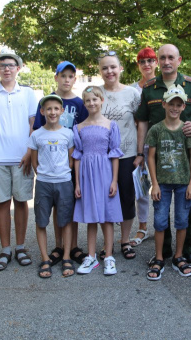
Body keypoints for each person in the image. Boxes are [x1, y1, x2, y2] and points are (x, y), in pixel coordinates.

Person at [135, 44, 191, 267]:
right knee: (161, 204)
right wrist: (140, 152)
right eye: (163, 57)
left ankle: (187, 250)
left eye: (171, 57)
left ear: (179, 60)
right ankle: (163, 252)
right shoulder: (149, 87)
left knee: (188, 203)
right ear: (158, 60)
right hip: (158, 153)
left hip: (186, 156)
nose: (167, 61)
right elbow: (143, 122)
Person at [0, 50, 38, 271]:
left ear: (18, 68)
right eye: (2, 65)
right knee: (1, 203)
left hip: (22, 157)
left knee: (21, 202)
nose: (7, 68)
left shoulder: (29, 93)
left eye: (11, 65)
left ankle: (20, 246)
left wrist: (30, 152)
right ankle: (5, 249)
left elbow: (34, 123)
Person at [32, 61, 89, 266]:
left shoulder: (79, 104)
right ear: (56, 77)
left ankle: (72, 247)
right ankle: (58, 246)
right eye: (63, 75)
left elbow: (83, 129)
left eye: (70, 76)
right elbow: (36, 134)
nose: (67, 79)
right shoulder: (46, 103)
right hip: (50, 166)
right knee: (56, 207)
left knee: (69, 207)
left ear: (74, 79)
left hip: (71, 161)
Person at [145, 85, 191, 280]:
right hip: (163, 183)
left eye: (179, 104)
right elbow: (151, 157)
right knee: (160, 220)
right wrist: (155, 183)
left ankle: (179, 256)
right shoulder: (156, 129)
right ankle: (159, 258)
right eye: (171, 104)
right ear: (164, 104)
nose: (174, 108)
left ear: (183, 107)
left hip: (183, 182)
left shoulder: (187, 129)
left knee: (182, 220)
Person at [72, 86, 124, 276]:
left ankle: (108, 256)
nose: (92, 103)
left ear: (102, 100)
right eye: (88, 100)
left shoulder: (110, 125)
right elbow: (77, 157)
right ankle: (91, 256)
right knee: (91, 216)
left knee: (107, 216)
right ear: (84, 104)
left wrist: (114, 181)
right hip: (87, 175)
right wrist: (77, 183)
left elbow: (115, 155)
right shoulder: (79, 127)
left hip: (105, 173)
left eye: (95, 99)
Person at [99, 52, 141, 259]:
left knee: (126, 197)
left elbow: (141, 123)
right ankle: (107, 243)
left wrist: (141, 152)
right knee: (104, 198)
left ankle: (124, 241)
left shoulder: (133, 93)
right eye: (105, 68)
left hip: (127, 153)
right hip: (100, 156)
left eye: (113, 67)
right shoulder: (94, 92)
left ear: (120, 69)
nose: (109, 71)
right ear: (100, 71)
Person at [28, 95, 75, 279]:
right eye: (48, 109)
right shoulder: (36, 134)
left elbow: (71, 159)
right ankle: (45, 258)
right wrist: (44, 175)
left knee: (66, 221)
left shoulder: (68, 134)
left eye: (56, 108)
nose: (52, 112)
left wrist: (63, 173)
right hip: (44, 183)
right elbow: (34, 162)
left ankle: (66, 256)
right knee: (41, 221)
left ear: (62, 111)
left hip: (64, 182)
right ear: (42, 112)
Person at [129, 47, 158, 247]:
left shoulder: (161, 85)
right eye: (142, 61)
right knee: (141, 187)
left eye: (150, 60)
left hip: (160, 144)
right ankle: (143, 227)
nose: (146, 65)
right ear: (138, 65)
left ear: (156, 62)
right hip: (139, 143)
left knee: (162, 186)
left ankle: (161, 226)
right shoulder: (132, 90)